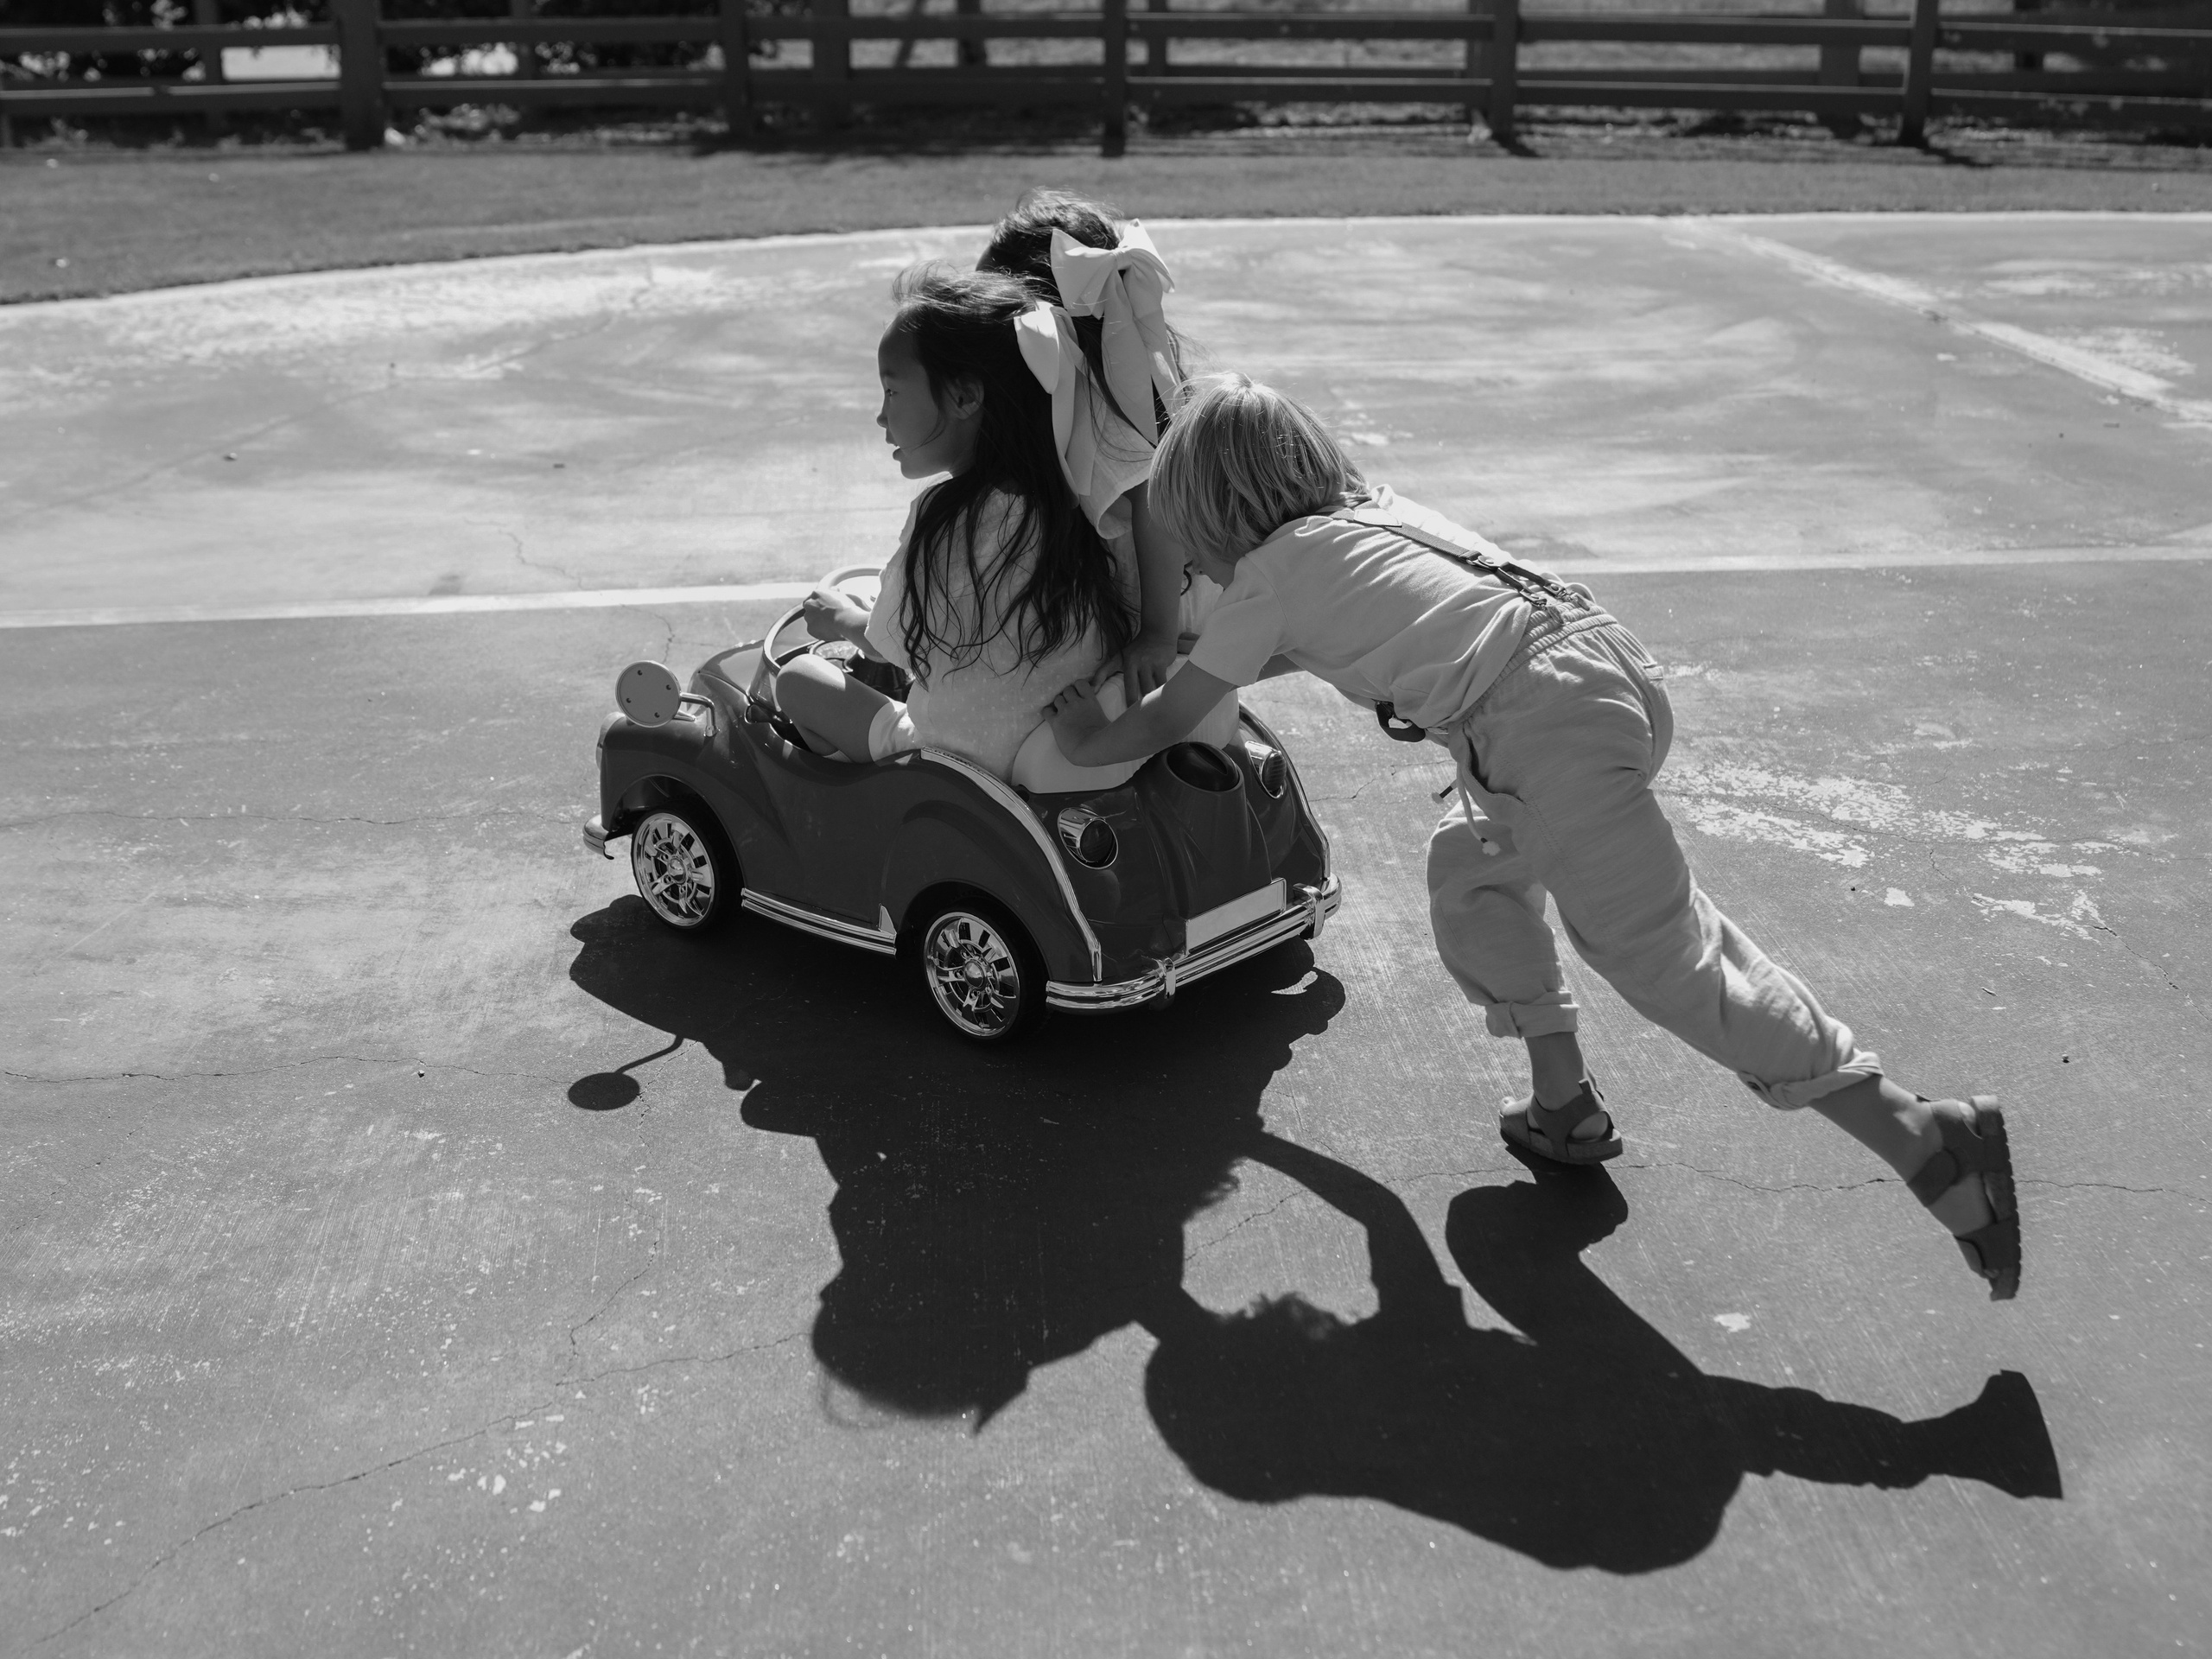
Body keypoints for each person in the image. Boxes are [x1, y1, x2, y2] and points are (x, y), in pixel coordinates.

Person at [1044, 372, 2022, 1301]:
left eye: (1188, 549)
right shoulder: (1370, 517)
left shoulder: (1264, 576)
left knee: (1664, 957)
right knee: (1471, 872)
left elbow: (1178, 717)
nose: (1193, 571)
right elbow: (1317, 644)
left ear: (1219, 516)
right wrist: (1188, 657)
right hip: (1596, 668)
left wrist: (1088, 735)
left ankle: (1919, 1133)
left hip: (1536, 727)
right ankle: (1564, 1104)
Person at [774, 266, 1131, 781]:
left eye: (892, 393)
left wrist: (838, 619)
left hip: (951, 762)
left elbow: (886, 643)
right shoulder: (1078, 505)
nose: (881, 416)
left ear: (966, 397)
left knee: (799, 680)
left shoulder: (941, 521)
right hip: (1050, 747)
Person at [977, 189, 1208, 700]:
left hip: (1163, 603)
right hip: (1177, 590)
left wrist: (1157, 634)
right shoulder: (1134, 363)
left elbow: (1155, 500)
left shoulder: (1097, 401)